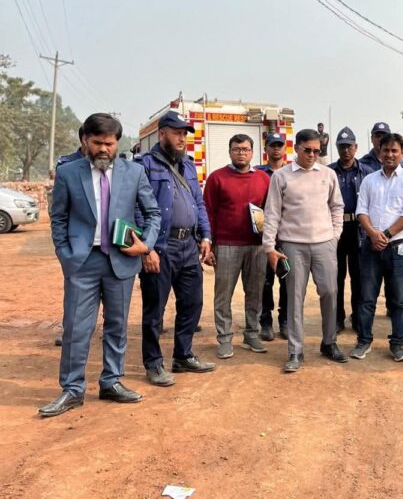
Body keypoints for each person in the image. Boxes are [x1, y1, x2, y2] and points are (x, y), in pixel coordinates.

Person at [40, 113, 161, 418]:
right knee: (76, 327)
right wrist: (66, 255)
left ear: (118, 142)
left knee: (117, 326)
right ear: (85, 140)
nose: (104, 149)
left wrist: (145, 245)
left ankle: (111, 381)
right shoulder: (68, 173)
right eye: (97, 143)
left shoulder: (134, 172)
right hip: (83, 262)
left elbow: (153, 213)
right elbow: (58, 218)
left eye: (110, 143)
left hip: (122, 261)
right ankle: (72, 389)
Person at [136, 111, 216, 388]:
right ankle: (153, 363)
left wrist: (206, 236)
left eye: (184, 134)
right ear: (162, 134)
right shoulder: (144, 165)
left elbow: (199, 203)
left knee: (192, 303)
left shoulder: (189, 165)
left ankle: (183, 355)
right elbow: (136, 208)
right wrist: (146, 248)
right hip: (161, 246)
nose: (182, 138)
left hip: (188, 246)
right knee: (154, 309)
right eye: (177, 133)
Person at [263, 128, 348, 372]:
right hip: (293, 245)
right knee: (295, 297)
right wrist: (269, 246)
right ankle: (295, 350)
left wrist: (335, 236)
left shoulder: (328, 174)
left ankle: (329, 342)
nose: (312, 155)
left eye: (316, 151)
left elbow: (337, 206)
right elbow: (272, 212)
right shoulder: (281, 176)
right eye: (307, 150)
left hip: (324, 243)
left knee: (330, 292)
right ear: (296, 148)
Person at [351, 133, 403, 362]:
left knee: (399, 299)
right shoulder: (370, 180)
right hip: (371, 246)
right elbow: (361, 211)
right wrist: (373, 234)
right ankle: (363, 341)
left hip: (398, 247)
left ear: (401, 153)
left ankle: (397, 344)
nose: (390, 155)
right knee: (366, 297)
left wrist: (386, 235)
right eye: (386, 150)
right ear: (379, 153)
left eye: (394, 151)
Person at [203, 133, 271, 359]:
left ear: (252, 152)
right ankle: (224, 339)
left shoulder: (263, 179)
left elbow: (271, 211)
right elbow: (208, 213)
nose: (241, 153)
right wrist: (209, 244)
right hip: (226, 245)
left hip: (257, 246)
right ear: (230, 151)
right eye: (236, 149)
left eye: (245, 149)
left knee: (255, 293)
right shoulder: (216, 178)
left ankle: (252, 334)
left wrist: (270, 241)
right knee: (223, 295)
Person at [328, 127, 373, 334]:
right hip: (336, 229)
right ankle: (337, 318)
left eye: (349, 146)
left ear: (356, 147)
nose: (346, 150)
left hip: (359, 229)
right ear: (337, 148)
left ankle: (357, 317)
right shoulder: (328, 172)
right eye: (342, 146)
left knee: (359, 277)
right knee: (336, 278)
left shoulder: (367, 173)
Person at [52, 126, 87, 347]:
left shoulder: (113, 166)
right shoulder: (67, 166)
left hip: (106, 241)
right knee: (74, 294)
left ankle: (106, 330)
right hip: (77, 241)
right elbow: (58, 212)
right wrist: (64, 250)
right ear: (85, 139)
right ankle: (70, 332)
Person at [257, 133, 289, 341]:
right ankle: (266, 321)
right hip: (265, 234)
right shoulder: (258, 173)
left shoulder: (292, 173)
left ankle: (285, 320)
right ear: (266, 148)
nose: (276, 149)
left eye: (279, 145)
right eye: (272, 145)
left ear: (285, 148)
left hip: (287, 234)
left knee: (287, 279)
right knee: (265, 281)